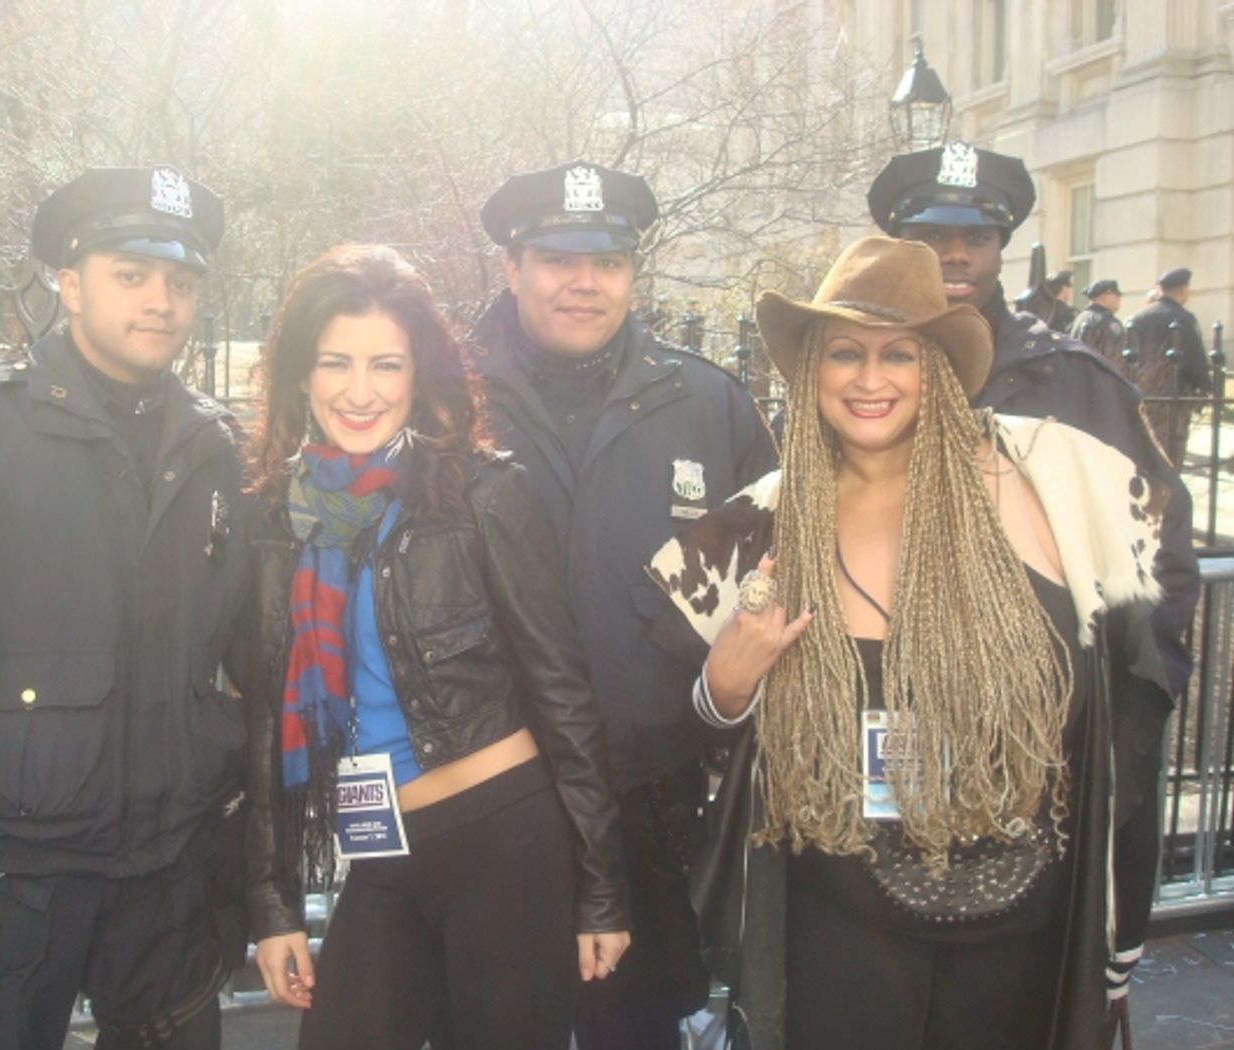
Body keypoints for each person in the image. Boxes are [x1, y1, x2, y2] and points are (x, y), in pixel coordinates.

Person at [648, 236, 1168, 1049]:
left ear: (938, 369)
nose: (869, 378)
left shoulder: (1057, 483)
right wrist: (727, 685)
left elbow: (1138, 698)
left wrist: (1122, 917)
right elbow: (696, 734)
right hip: (839, 936)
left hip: (1019, 931)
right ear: (811, 369)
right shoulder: (758, 526)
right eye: (845, 352)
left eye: (899, 354)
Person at [0, 167, 249, 1048]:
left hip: (171, 882)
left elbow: (259, 656)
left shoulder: (217, 451)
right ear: (69, 283)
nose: (161, 302)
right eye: (130, 275)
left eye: (180, 282)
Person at [237, 245, 629, 1050]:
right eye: (335, 363)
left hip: (503, 839)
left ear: (420, 375)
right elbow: (265, 723)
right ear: (300, 378)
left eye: (386, 364)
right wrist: (273, 908)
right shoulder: (286, 520)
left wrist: (600, 888)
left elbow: (563, 693)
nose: (359, 390)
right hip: (379, 852)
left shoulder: (484, 492)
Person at [866, 153, 1195, 987]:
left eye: (975, 235)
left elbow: (1160, 568)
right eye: (930, 236)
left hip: (1046, 751)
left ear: (1002, 246)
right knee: (891, 969)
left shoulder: (1076, 385)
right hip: (893, 738)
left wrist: (1109, 712)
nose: (955, 255)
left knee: (1022, 990)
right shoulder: (851, 376)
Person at [468, 160, 776, 1050]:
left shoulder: (707, 401)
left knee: (638, 1030)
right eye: (559, 259)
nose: (584, 282)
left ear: (633, 272)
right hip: (494, 793)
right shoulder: (452, 398)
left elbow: (772, 577)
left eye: (605, 262)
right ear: (514, 266)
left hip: (651, 797)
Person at [1127, 266, 1212, 467]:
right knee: (1171, 451)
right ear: (1182, 290)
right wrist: (1206, 387)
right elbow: (1194, 359)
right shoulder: (1184, 318)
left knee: (1143, 448)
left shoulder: (1137, 318)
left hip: (1142, 393)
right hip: (1173, 394)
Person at [1069, 278, 1126, 362]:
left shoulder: (1080, 318)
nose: (1119, 299)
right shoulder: (1107, 322)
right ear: (1105, 297)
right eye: (1116, 295)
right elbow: (1114, 360)